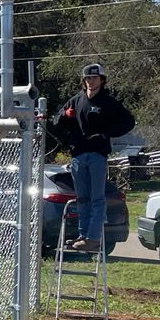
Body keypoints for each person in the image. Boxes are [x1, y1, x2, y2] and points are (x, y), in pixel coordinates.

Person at [53, 63, 135, 252]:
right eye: (88, 78)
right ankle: (83, 235)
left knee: (97, 197)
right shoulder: (76, 100)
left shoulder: (108, 102)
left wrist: (107, 134)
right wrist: (65, 115)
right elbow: (56, 120)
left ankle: (93, 237)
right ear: (84, 81)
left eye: (95, 78)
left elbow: (128, 122)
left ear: (102, 80)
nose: (91, 81)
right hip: (78, 156)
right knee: (82, 198)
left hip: (97, 156)